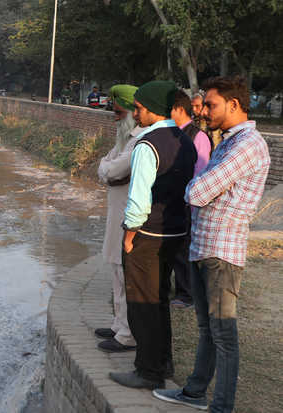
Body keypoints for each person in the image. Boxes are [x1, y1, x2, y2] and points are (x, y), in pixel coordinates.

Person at [153, 76, 270, 412]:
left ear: (234, 105)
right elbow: (202, 189)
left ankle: (222, 406)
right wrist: (201, 187)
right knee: (207, 329)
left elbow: (196, 192)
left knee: (223, 336)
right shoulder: (229, 141)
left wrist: (198, 188)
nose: (204, 111)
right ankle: (194, 392)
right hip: (205, 247)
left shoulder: (248, 144)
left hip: (222, 252)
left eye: (211, 104)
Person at [108, 80, 197, 390]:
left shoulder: (148, 144)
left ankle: (148, 370)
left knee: (142, 303)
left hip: (147, 233)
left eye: (140, 108)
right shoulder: (184, 140)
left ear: (154, 110)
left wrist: (130, 235)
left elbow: (138, 198)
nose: (136, 112)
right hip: (175, 231)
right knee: (160, 299)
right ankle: (164, 360)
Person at [95, 85, 144, 353]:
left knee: (124, 273)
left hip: (128, 214)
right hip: (116, 212)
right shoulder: (124, 139)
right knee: (115, 270)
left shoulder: (138, 141)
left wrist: (107, 171)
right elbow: (104, 167)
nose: (113, 117)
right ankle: (117, 324)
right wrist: (107, 171)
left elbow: (113, 169)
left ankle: (127, 333)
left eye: (117, 112)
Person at [169, 90, 213, 308]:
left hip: (187, 203)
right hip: (172, 200)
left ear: (178, 109)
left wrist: (188, 199)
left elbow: (201, 173)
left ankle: (186, 294)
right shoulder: (172, 133)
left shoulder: (198, 137)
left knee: (183, 248)